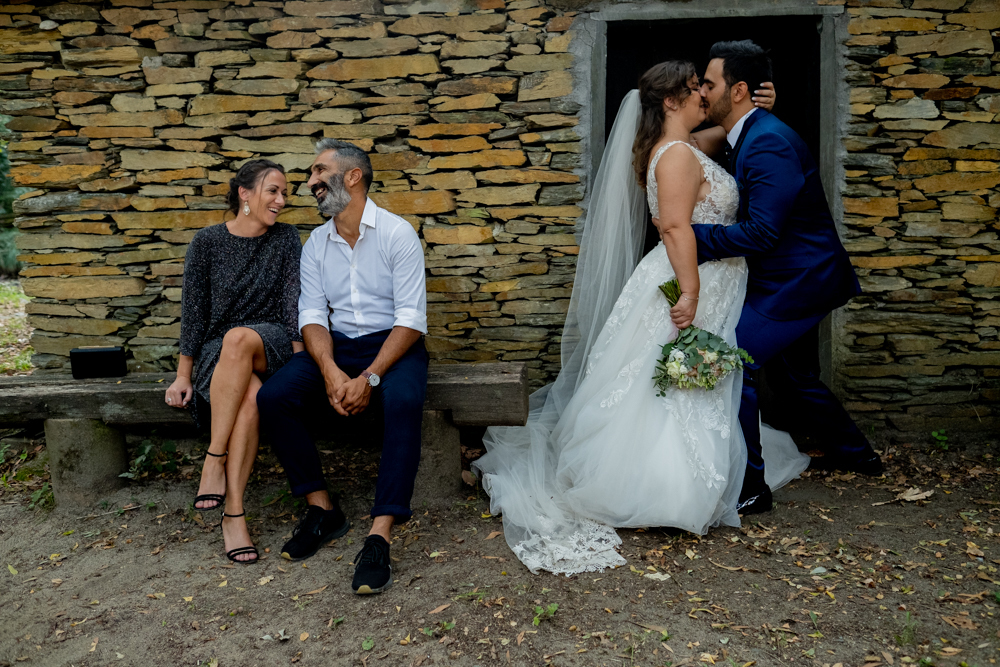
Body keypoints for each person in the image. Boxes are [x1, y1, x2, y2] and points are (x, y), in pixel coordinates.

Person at [472, 61, 808, 576]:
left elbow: (727, 132)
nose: (703, 95)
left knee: (684, 378)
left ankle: (711, 474)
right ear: (670, 101)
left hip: (712, 277)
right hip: (690, 278)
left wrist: (757, 109)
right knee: (669, 381)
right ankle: (664, 487)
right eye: (693, 88)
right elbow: (674, 228)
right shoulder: (675, 155)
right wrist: (690, 292)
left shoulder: (685, 146)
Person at [690, 41, 882, 515]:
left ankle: (751, 488)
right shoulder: (747, 133)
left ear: (737, 90)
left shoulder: (768, 141)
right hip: (786, 275)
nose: (701, 91)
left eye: (709, 83)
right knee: (794, 376)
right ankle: (859, 457)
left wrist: (690, 237)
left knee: (732, 359)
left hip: (800, 280)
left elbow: (762, 233)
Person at [256, 139, 428, 595]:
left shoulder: (396, 234)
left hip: (394, 346)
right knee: (274, 397)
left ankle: (379, 534)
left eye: (318, 171)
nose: (310, 182)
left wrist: (369, 377)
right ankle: (322, 509)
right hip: (336, 347)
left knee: (404, 400)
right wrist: (330, 370)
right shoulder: (317, 243)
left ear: (352, 177)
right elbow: (312, 315)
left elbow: (411, 319)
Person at [165, 159, 303, 564]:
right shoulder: (206, 242)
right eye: (273, 191)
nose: (281, 200)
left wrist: (301, 362)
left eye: (284, 193)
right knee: (250, 397)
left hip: (269, 342)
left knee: (239, 338)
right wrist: (183, 376)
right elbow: (193, 313)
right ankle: (234, 515)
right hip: (218, 352)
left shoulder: (286, 238)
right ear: (244, 193)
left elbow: (293, 303)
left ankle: (214, 458)